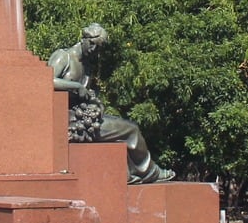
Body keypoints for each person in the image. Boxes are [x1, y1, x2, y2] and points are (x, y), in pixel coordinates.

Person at [49, 23, 174, 184]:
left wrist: (96, 102)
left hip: (83, 119)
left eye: (99, 48)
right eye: (93, 44)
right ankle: (150, 173)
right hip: (66, 121)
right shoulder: (63, 56)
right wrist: (76, 86)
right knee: (132, 131)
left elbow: (87, 95)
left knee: (123, 127)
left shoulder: (87, 65)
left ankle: (127, 174)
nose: (94, 50)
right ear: (84, 39)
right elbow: (47, 81)